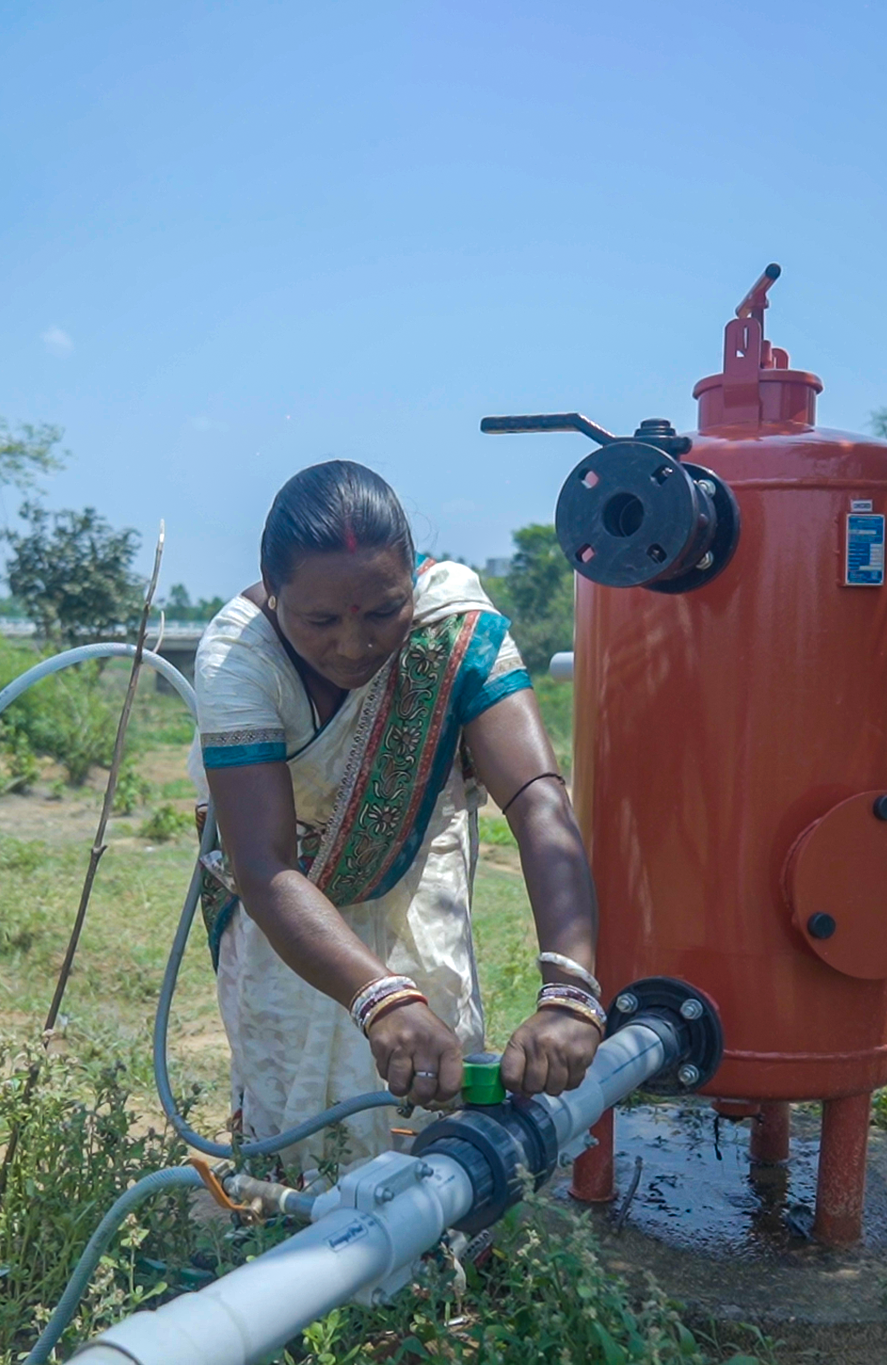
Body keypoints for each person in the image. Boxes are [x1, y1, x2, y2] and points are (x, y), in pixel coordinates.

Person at [189, 459, 606, 1165]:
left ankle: (440, 1246)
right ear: (273, 594)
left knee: (436, 1093)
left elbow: (537, 797)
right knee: (295, 1101)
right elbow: (262, 866)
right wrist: (380, 998)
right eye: (319, 620)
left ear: (412, 578)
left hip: (416, 872)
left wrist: (571, 988)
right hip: (286, 911)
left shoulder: (452, 622)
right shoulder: (241, 660)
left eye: (384, 612)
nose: (354, 645)